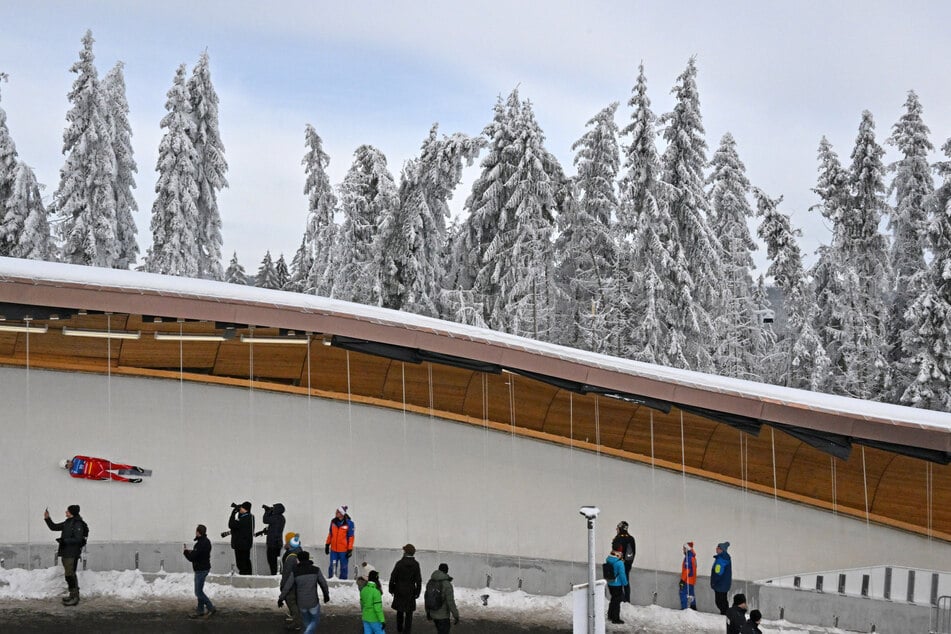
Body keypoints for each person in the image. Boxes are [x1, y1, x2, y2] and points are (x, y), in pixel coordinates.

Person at [43, 504, 89, 606]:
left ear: (72, 512)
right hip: (66, 552)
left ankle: (74, 597)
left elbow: (77, 539)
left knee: (69, 575)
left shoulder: (77, 523)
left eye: (67, 511)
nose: (65, 512)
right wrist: (47, 518)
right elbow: (54, 527)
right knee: (70, 574)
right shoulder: (67, 522)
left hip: (72, 553)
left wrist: (64, 541)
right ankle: (73, 595)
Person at [279, 550, 330, 634]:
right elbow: (323, 583)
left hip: (301, 604)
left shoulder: (295, 572)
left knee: (306, 623)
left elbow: (287, 586)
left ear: (298, 559)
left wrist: (281, 598)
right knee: (314, 621)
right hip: (313, 603)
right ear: (308, 558)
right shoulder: (316, 570)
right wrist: (326, 595)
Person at [183, 524, 216, 618]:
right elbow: (199, 554)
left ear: (198, 532)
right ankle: (200, 610)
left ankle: (210, 607)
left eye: (196, 531)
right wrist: (192, 551)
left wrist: (186, 552)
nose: (195, 532)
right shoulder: (206, 541)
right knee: (200, 590)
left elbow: (193, 558)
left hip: (201, 570)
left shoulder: (200, 543)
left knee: (198, 592)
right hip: (204, 568)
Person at [389, 543, 422, 633]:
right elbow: (418, 580)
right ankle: (407, 631)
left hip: (399, 590)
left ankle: (399, 628)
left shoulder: (399, 563)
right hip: (410, 591)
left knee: (400, 611)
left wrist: (391, 589)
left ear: (405, 552)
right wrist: (417, 592)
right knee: (409, 613)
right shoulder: (416, 565)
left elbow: (393, 577)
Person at [425, 563, 460, 633]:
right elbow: (450, 602)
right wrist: (456, 615)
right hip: (443, 616)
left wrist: (428, 612)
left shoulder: (431, 581)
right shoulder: (447, 584)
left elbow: (427, 598)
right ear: (447, 571)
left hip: (433, 613)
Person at [61, 455, 144, 483]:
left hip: (100, 465)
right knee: (114, 476)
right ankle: (131, 480)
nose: (69, 465)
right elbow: (86, 477)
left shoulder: (77, 458)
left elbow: (90, 458)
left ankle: (134, 468)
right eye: (67, 466)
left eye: (67, 463)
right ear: (66, 468)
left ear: (68, 460)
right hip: (97, 473)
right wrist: (98, 479)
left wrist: (102, 460)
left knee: (116, 466)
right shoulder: (73, 473)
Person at [281, 532, 304, 632]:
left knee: (291, 601)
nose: (284, 543)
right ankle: (297, 619)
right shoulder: (297, 551)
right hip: (297, 582)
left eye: (286, 541)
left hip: (292, 583)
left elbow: (287, 573)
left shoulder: (291, 556)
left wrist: (283, 586)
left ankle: (297, 622)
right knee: (295, 602)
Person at [324, 505, 354, 579]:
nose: (336, 513)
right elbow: (330, 534)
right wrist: (327, 544)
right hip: (334, 549)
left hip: (344, 550)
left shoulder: (349, 523)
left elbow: (351, 537)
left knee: (344, 567)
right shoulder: (333, 522)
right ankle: (331, 579)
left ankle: (343, 581)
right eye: (336, 511)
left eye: (338, 512)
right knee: (332, 565)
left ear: (342, 513)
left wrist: (350, 549)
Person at [611, 521, 636, 602]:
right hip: (628, 564)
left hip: (618, 564)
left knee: (617, 583)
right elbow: (633, 552)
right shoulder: (631, 539)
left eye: (617, 528)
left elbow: (614, 553)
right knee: (626, 582)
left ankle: (620, 600)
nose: (616, 529)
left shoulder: (617, 539)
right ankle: (627, 601)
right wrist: (628, 563)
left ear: (620, 528)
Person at [228, 501, 254, 575]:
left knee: (241, 564)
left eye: (241, 507)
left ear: (245, 509)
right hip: (245, 545)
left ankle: (244, 577)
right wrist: (239, 511)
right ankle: (247, 575)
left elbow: (231, 524)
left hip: (240, 545)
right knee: (246, 562)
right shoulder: (250, 517)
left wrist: (233, 512)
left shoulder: (245, 519)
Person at [260, 503, 287, 575]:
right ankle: (277, 574)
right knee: (277, 562)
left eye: (274, 508)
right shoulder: (281, 518)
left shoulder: (276, 517)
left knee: (272, 562)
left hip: (272, 543)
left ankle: (274, 575)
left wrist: (267, 511)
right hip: (278, 543)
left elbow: (265, 520)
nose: (273, 509)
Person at [605, 549, 627, 625]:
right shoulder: (619, 563)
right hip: (617, 584)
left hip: (610, 583)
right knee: (617, 602)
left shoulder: (609, 559)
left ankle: (610, 615)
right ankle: (615, 619)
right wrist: (625, 583)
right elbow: (622, 574)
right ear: (619, 554)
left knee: (613, 599)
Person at [360, 569, 386, 633]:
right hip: (374, 619)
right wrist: (382, 620)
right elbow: (377, 608)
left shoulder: (363, 589)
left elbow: (362, 604)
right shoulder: (376, 592)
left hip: (365, 618)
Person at [710, 541, 733, 615]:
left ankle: (726, 615)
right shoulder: (724, 558)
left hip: (720, 584)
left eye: (718, 548)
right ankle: (726, 614)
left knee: (720, 602)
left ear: (721, 550)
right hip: (724, 584)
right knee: (723, 601)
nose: (716, 549)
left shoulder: (721, 560)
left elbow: (718, 573)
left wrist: (714, 582)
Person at [679, 541, 697, 610]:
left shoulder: (688, 558)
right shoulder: (693, 557)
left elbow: (687, 570)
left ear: (687, 549)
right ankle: (693, 608)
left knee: (683, 594)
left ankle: (685, 609)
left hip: (687, 580)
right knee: (691, 595)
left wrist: (682, 581)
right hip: (692, 580)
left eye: (683, 548)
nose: (683, 550)